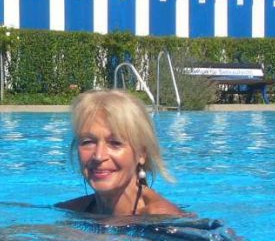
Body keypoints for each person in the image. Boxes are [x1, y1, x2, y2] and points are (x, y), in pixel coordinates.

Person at [57, 89, 185, 217]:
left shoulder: (162, 219)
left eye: (115, 143)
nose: (99, 156)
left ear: (142, 153)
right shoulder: (70, 211)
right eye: (88, 142)